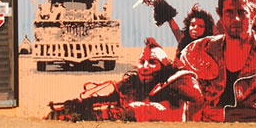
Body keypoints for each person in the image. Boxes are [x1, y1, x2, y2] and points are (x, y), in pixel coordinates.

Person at [47, 38, 203, 122]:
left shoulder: (177, 84)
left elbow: (154, 111)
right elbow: (111, 99)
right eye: (142, 62)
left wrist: (102, 115)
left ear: (164, 67)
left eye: (152, 62)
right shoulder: (133, 84)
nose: (145, 67)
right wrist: (79, 106)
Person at [137, 0, 215, 57]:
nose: (195, 28)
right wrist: (159, 3)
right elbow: (172, 23)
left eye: (200, 26)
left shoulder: (210, 45)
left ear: (206, 29)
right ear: (188, 26)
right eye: (193, 25)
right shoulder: (183, 39)